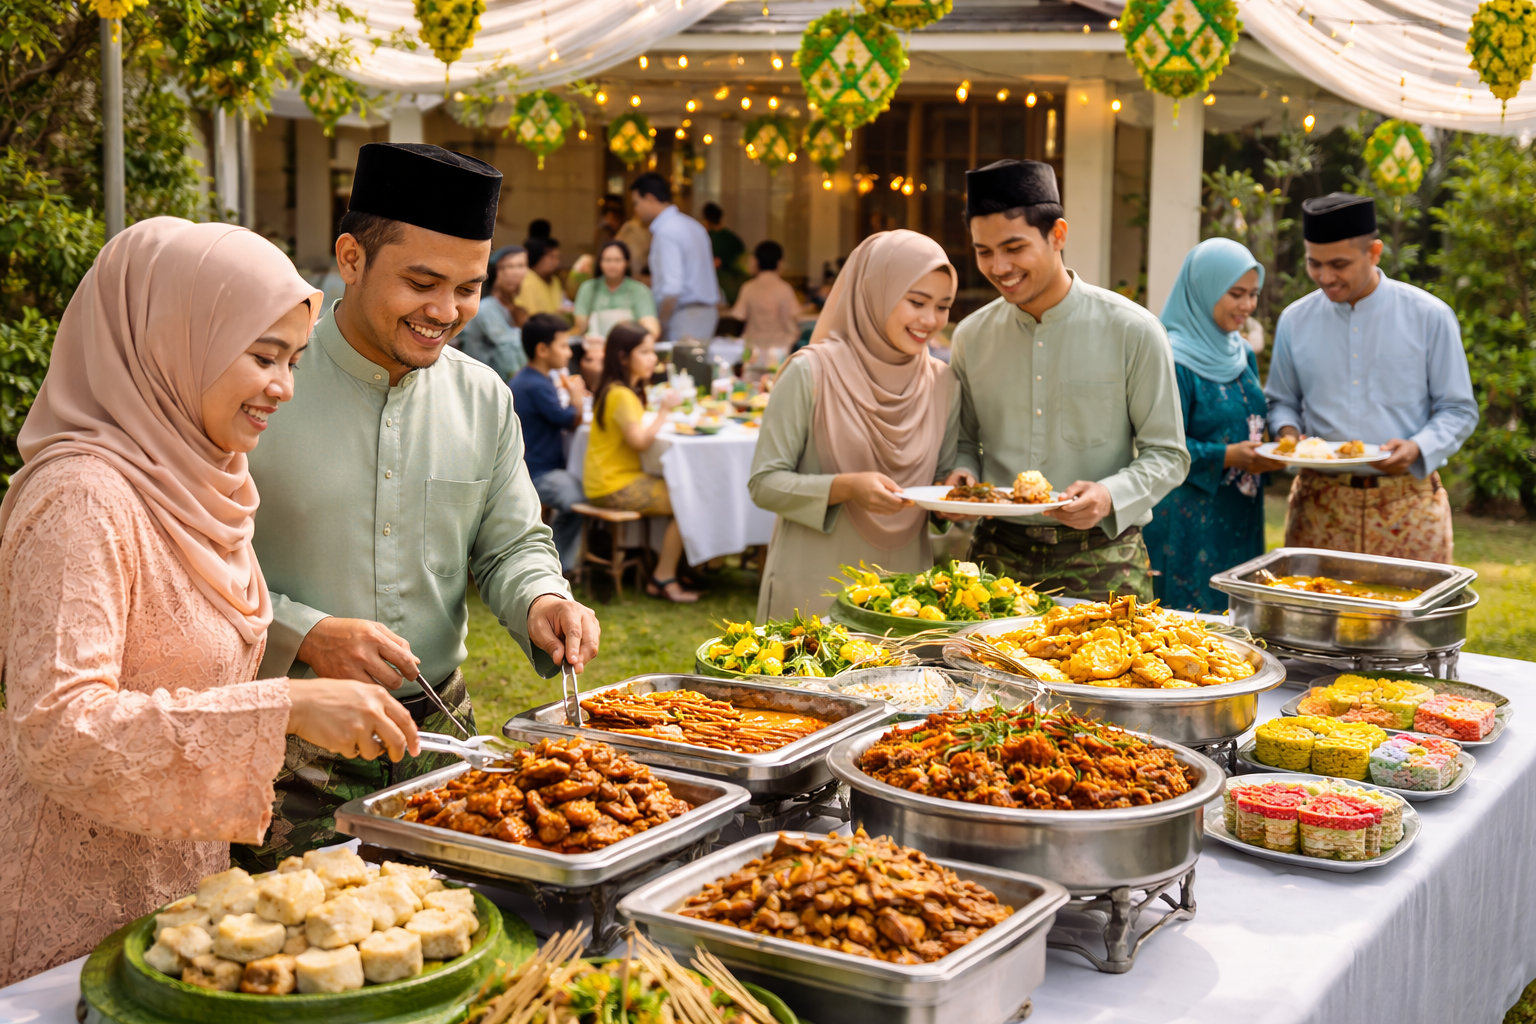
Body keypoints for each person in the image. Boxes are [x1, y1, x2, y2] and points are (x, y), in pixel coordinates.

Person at [0, 218, 421, 984]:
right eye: (262, 357)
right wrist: (284, 708)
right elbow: (57, 728)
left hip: (181, 895)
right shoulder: (83, 498)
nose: (283, 388)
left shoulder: (205, 478)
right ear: (170, 338)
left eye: (292, 361)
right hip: (72, 909)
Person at [244, 143, 600, 868]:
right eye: (422, 282)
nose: (446, 312)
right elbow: (189, 572)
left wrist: (541, 596)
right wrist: (305, 634)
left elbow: (510, 542)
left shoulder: (482, 397)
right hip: (284, 748)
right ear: (351, 257)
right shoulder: (261, 389)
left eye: (469, 289)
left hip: (439, 733)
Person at [945, 159, 1189, 600]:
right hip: (996, 560)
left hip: (1104, 555)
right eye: (984, 251)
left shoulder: (1133, 330)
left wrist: (1110, 494)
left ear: (1057, 235)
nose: (999, 267)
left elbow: (1169, 454)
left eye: (1014, 247)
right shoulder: (971, 337)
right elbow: (964, 441)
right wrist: (963, 473)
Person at [748, 230, 959, 620]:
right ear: (875, 292)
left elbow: (945, 475)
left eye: (943, 306)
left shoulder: (943, 382)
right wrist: (844, 487)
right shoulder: (810, 372)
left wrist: (955, 494)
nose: (931, 320)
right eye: (916, 301)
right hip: (813, 594)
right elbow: (764, 484)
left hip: (908, 603)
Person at [1265, 193, 1478, 563]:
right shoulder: (1295, 320)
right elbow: (1281, 399)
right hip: (1320, 505)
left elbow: (1457, 409)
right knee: (1315, 619)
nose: (1325, 277)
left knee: (1406, 620)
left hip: (1407, 502)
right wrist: (1286, 433)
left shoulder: (1430, 316)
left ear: (1374, 252)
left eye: (1339, 264)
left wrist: (1418, 447)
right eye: (1314, 264)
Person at [1144, 239, 1285, 612]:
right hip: (1188, 518)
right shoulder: (1172, 357)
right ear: (1203, 289)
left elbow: (1251, 420)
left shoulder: (1240, 354)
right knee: (1191, 627)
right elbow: (1156, 444)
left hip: (1239, 511)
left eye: (1253, 294)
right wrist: (1227, 455)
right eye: (1236, 293)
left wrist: (1270, 451)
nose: (1248, 306)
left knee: (1238, 621)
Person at [584, 322, 700, 603]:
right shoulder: (622, 394)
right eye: (645, 352)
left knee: (686, 493)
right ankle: (664, 576)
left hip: (606, 481)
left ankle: (678, 567)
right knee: (689, 500)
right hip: (613, 485)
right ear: (624, 357)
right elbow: (639, 442)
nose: (653, 359)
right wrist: (664, 411)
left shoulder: (614, 389)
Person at [512, 313, 588, 573]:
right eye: (564, 346)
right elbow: (566, 418)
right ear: (542, 350)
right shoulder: (535, 385)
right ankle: (557, 566)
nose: (569, 353)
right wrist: (576, 399)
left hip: (538, 466)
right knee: (578, 500)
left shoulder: (532, 379)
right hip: (537, 472)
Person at [631, 173, 720, 341]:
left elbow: (672, 288)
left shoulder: (666, 231)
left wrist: (661, 323)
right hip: (705, 314)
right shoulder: (692, 225)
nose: (636, 210)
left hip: (683, 316)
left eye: (636, 203)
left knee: (679, 367)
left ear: (649, 198)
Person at [730, 240, 802, 381]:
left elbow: (739, 317)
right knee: (775, 388)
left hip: (752, 350)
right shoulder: (784, 288)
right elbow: (792, 317)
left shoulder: (748, 287)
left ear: (756, 261)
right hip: (779, 349)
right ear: (780, 262)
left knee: (751, 391)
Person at [456, 243, 527, 380]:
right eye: (511, 266)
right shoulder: (487, 308)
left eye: (522, 266)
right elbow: (509, 359)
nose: (518, 272)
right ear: (498, 272)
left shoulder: (514, 307)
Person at [574, 240, 660, 339]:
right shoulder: (588, 288)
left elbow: (652, 329)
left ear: (627, 263)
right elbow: (580, 328)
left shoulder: (640, 291)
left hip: (628, 349)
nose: (612, 265)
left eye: (617, 260)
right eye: (607, 260)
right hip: (594, 349)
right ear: (600, 263)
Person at [704, 201, 747, 305]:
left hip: (718, 286)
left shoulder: (709, 238)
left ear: (706, 219)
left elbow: (711, 265)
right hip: (739, 287)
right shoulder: (734, 239)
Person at [516, 235, 567, 318]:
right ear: (537, 256)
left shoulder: (555, 280)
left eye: (558, 257)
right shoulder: (526, 280)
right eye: (552, 257)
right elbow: (532, 319)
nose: (556, 261)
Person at [616, 208, 652, 285]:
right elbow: (616, 245)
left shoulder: (651, 230)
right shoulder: (629, 227)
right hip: (630, 269)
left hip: (643, 271)